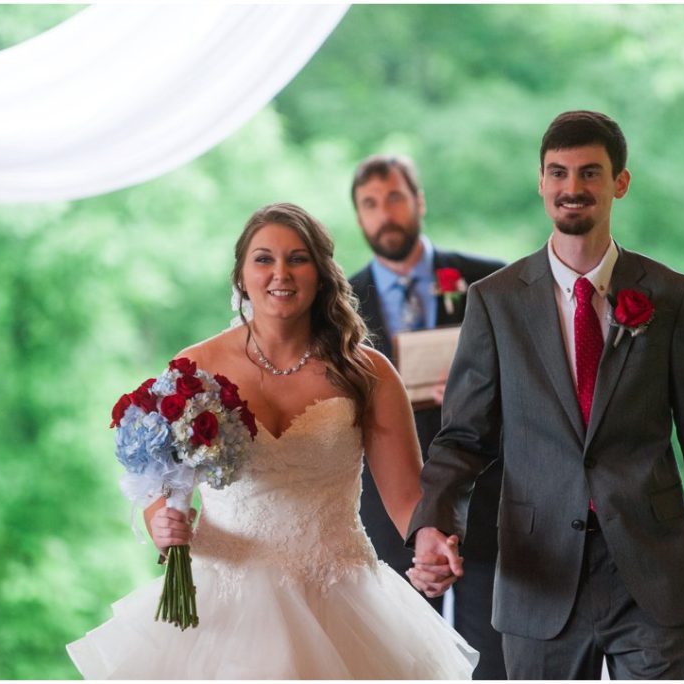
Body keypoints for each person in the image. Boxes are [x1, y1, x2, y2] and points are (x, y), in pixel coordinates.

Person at [407, 111, 684, 679]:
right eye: (559, 173)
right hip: (536, 571)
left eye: (590, 173)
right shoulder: (495, 301)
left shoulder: (671, 297)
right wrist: (432, 524)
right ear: (542, 182)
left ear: (620, 182)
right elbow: (462, 439)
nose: (573, 188)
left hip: (649, 572)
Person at [67, 203, 477, 679]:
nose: (280, 273)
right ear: (241, 276)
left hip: (342, 597)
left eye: (297, 258)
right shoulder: (194, 370)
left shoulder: (368, 373)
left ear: (321, 273)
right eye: (263, 259)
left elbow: (408, 497)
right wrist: (161, 522)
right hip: (222, 609)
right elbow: (158, 481)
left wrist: (431, 541)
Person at [347, 154, 507, 678]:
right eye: (369, 204)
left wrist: (478, 391)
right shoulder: (339, 303)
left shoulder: (489, 282)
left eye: (394, 197)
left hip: (485, 504)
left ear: (418, 201)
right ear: (358, 217)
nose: (384, 213)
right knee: (404, 665)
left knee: (494, 662)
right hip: (387, 516)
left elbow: (533, 385)